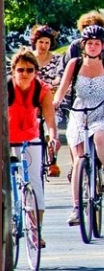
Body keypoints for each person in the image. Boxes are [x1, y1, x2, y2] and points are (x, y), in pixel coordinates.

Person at [53, 25, 104, 225]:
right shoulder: (74, 64)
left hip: (102, 110)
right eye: (89, 43)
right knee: (78, 161)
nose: (93, 47)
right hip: (79, 112)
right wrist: (56, 101)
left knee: (101, 137)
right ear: (84, 45)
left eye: (97, 44)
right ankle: (76, 207)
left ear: (103, 46)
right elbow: (63, 87)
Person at [8, 48, 60, 248]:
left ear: (36, 71)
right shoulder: (6, 88)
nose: (25, 74)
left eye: (30, 70)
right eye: (21, 70)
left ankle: (36, 231)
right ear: (13, 71)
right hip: (7, 140)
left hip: (31, 139)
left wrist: (53, 137)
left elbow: (50, 120)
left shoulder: (42, 90)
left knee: (35, 183)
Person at [30, 25, 63, 177]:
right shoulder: (28, 57)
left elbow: (60, 75)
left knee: (52, 126)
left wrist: (55, 82)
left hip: (51, 99)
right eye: (41, 42)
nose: (44, 46)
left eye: (47, 43)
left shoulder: (57, 58)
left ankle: (52, 160)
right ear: (35, 42)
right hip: (31, 100)